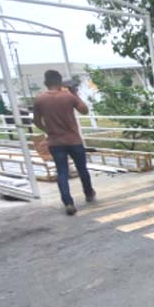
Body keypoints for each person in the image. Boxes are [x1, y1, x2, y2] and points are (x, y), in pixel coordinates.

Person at [33, 69, 95, 215]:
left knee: (62, 172)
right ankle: (88, 193)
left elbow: (36, 121)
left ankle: (68, 203)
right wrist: (74, 93)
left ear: (45, 83)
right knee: (82, 169)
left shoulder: (40, 99)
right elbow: (84, 110)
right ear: (61, 82)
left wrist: (47, 130)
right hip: (73, 140)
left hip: (55, 142)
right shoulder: (68, 97)